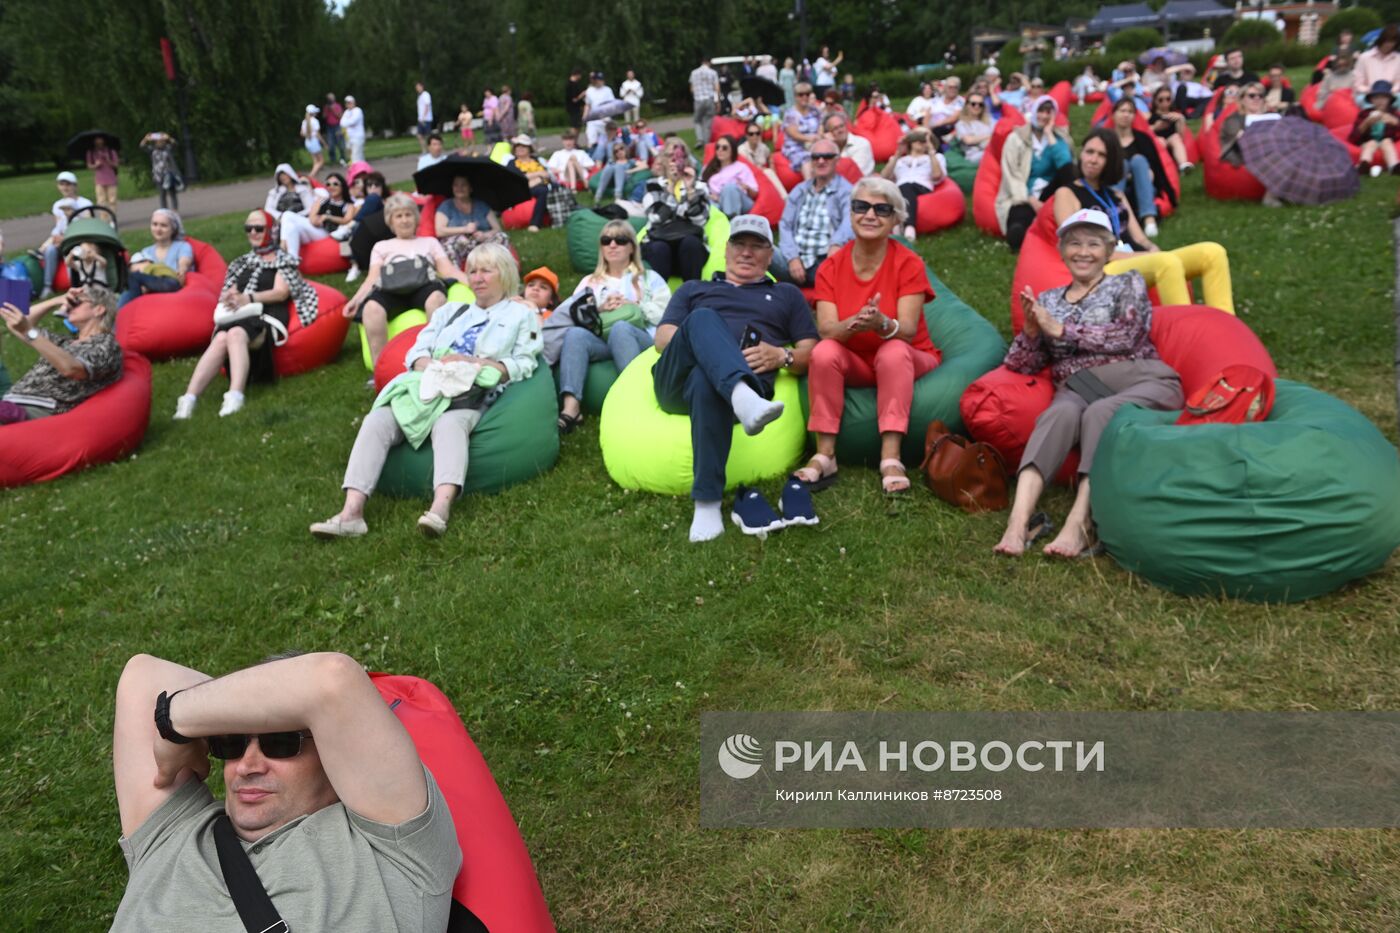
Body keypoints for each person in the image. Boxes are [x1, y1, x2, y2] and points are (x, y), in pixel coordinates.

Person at [110, 650, 461, 931]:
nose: (248, 765)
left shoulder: (394, 848)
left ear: (332, 748)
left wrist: (173, 720)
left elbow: (332, 681)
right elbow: (142, 676)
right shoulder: (173, 832)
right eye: (231, 742)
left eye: (279, 742)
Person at [312, 244, 540, 538]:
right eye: (472, 271)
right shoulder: (451, 311)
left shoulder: (521, 315)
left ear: (505, 274)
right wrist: (431, 364)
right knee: (377, 419)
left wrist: (474, 363)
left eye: (486, 270)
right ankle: (351, 513)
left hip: (470, 394)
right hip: (430, 383)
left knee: (449, 424)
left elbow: (525, 363)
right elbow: (417, 349)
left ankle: (439, 509)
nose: (477, 278)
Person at [994, 208, 1183, 558]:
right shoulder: (1049, 299)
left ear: (1109, 251)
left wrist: (1062, 330)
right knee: (1058, 415)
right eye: (1075, 243)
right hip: (1078, 388)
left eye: (1094, 244)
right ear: (1062, 250)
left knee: (1100, 411)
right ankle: (1017, 524)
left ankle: (1081, 523)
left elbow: (1128, 335)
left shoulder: (1126, 282)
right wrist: (1033, 334)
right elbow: (1021, 364)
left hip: (1139, 378)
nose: (1083, 251)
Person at [652, 215, 818, 542]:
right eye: (739, 244)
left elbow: (812, 352)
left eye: (757, 246)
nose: (746, 252)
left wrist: (781, 356)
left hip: (719, 386)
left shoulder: (786, 294)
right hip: (675, 383)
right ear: (726, 250)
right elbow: (662, 338)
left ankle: (707, 504)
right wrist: (709, 348)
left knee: (706, 380)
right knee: (702, 320)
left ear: (770, 256)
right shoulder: (695, 289)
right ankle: (742, 397)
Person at [798, 177, 938, 494]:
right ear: (850, 213)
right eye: (861, 207)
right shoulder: (830, 267)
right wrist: (857, 323)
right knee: (823, 352)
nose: (870, 215)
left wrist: (880, 323)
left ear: (895, 220)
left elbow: (908, 330)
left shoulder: (909, 263)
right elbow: (827, 329)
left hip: (910, 354)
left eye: (882, 209)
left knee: (892, 350)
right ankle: (825, 454)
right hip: (858, 359)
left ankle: (891, 457)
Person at [1054, 129, 1232, 312]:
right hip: (1105, 267)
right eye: (1089, 152)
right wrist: (1148, 257)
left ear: (1110, 161)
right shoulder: (1067, 194)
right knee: (1165, 263)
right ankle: (1184, 333)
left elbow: (1139, 238)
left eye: (1101, 155)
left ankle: (1226, 326)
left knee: (1212, 253)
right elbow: (1077, 249)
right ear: (1081, 154)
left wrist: (1152, 249)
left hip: (1134, 259)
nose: (1093, 159)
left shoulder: (1116, 194)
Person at [172, 211, 317, 419]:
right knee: (222, 337)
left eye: (259, 229)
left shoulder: (284, 261)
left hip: (266, 314)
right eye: (249, 229)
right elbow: (228, 288)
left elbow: (281, 292)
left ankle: (235, 395)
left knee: (236, 334)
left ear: (271, 231)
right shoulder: (241, 262)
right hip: (240, 313)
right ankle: (189, 399)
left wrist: (249, 298)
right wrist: (229, 295)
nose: (253, 233)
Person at [555, 221, 669, 432]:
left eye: (620, 240)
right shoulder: (590, 282)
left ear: (632, 247)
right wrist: (599, 309)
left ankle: (635, 402)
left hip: (640, 339)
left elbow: (667, 314)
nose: (613, 245)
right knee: (574, 334)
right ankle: (571, 408)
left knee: (620, 328)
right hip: (602, 341)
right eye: (606, 240)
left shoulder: (649, 278)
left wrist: (636, 305)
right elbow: (571, 315)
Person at [342, 193, 468, 367]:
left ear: (416, 218)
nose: (404, 220)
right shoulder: (382, 247)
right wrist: (355, 300)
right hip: (391, 290)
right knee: (371, 308)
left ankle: (436, 360)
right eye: (398, 216)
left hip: (424, 287)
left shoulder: (429, 242)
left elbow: (447, 270)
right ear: (391, 221)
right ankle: (380, 370)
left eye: (408, 214)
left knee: (436, 299)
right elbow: (372, 278)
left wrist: (472, 283)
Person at [0, 285, 121, 424]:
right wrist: (57, 300)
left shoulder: (106, 344)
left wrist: (29, 332)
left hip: (38, 409)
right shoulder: (63, 342)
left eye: (76, 302)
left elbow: (71, 369)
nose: (69, 306)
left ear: (99, 309)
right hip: (12, 404)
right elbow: (15, 324)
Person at [996, 97, 1072, 251]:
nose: (1044, 116)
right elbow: (1012, 173)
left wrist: (1050, 134)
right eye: (1040, 111)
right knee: (1018, 222)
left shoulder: (1059, 138)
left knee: (1069, 171)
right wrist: (1030, 199)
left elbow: (1067, 166)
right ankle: (1022, 234)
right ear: (1033, 112)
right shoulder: (1016, 138)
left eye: (1048, 112)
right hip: (1025, 194)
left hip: (1051, 192)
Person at [776, 139, 854, 285]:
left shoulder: (847, 191)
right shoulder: (799, 190)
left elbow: (850, 220)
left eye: (827, 156)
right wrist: (792, 258)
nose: (821, 161)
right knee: (761, 248)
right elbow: (785, 225)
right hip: (792, 261)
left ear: (837, 160)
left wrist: (837, 243)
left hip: (825, 260)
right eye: (816, 157)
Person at [640, 147, 711, 281]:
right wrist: (671, 190)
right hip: (659, 241)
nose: (674, 161)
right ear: (663, 161)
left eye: (679, 156)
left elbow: (701, 220)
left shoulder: (698, 186)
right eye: (670, 157)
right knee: (660, 248)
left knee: (691, 244)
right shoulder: (653, 185)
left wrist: (690, 191)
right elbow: (656, 218)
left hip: (689, 244)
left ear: (686, 160)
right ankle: (659, 299)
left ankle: (692, 295)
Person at [1109, 97, 1173, 238]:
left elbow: (1157, 169)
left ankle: (1149, 219)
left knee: (1139, 160)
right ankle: (1115, 214)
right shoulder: (1107, 140)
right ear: (1114, 114)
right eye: (1122, 111)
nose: (1126, 115)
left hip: (1143, 185)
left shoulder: (1143, 139)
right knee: (1123, 163)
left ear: (1134, 116)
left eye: (1130, 112)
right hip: (1117, 185)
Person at [119, 209, 195, 309]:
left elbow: (184, 261)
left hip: (173, 287)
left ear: (173, 229)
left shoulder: (182, 246)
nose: (158, 229)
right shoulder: (146, 251)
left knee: (133, 279)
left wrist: (181, 270)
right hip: (153, 292)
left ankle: (125, 312)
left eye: (163, 226)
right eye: (155, 224)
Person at [881, 128, 945, 241]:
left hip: (921, 186)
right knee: (901, 188)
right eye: (918, 136)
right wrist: (898, 154)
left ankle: (908, 228)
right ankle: (903, 227)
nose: (921, 140)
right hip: (899, 188)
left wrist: (931, 151)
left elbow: (936, 175)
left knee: (906, 187)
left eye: (925, 137)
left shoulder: (936, 157)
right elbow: (884, 177)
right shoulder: (899, 160)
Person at [39, 172, 93, 299]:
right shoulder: (57, 205)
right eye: (61, 184)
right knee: (50, 250)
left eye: (68, 184)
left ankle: (73, 285)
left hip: (78, 240)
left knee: (70, 251)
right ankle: (47, 286)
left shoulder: (85, 203)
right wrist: (55, 239)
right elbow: (58, 226)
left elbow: (88, 226)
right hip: (63, 239)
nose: (65, 188)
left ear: (75, 186)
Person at [434, 174, 507, 266]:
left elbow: (497, 229)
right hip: (458, 244)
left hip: (481, 242)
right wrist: (464, 229)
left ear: (471, 188)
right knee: (456, 242)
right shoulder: (446, 206)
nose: (459, 188)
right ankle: (455, 277)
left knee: (502, 236)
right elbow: (439, 231)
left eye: (463, 185)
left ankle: (497, 270)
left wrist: (485, 235)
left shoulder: (482, 205)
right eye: (456, 185)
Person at [263, 163, 327, 261]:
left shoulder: (302, 189)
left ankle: (282, 247)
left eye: (285, 174)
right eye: (281, 176)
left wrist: (294, 216)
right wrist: (281, 217)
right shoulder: (274, 192)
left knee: (288, 216)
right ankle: (292, 258)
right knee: (288, 219)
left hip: (301, 219)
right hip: (280, 222)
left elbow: (310, 208)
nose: (283, 177)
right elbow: (268, 208)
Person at [703, 134, 761, 218]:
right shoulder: (708, 168)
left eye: (724, 148)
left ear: (732, 150)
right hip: (716, 201)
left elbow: (754, 193)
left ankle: (731, 222)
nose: (720, 150)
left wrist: (747, 187)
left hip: (740, 201)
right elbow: (701, 187)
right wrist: (710, 196)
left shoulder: (741, 167)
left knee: (730, 188)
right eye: (718, 147)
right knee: (713, 206)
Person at [1351, 81, 1400, 176]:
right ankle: (1364, 164)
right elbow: (1353, 137)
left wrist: (1395, 122)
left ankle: (1394, 166)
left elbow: (1397, 132)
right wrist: (1366, 123)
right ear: (1371, 100)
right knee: (1371, 143)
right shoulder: (1364, 114)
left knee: (1387, 141)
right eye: (1376, 97)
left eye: (1384, 97)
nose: (1380, 100)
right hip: (1368, 140)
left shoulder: (1393, 114)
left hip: (1387, 140)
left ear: (1390, 99)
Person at [507, 135, 551, 233]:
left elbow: (547, 177)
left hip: (540, 185)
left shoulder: (536, 160)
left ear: (529, 148)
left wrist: (537, 179)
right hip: (519, 190)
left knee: (554, 188)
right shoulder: (512, 163)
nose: (520, 148)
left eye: (523, 146)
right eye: (517, 146)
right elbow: (519, 179)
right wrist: (538, 175)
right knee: (543, 190)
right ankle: (535, 223)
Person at [783, 83, 823, 180]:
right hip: (796, 146)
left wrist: (819, 137)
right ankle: (810, 189)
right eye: (801, 94)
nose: (804, 97)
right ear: (795, 96)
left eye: (807, 94)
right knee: (807, 161)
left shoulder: (815, 111)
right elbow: (794, 134)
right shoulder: (790, 114)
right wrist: (810, 138)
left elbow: (821, 126)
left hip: (815, 144)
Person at [1149, 87, 1193, 173]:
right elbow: (1143, 131)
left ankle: (1183, 165)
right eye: (1161, 100)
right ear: (1155, 101)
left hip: (1171, 142)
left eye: (1168, 99)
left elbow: (1182, 136)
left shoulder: (1174, 115)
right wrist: (1155, 127)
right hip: (1157, 143)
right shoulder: (1149, 115)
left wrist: (1181, 119)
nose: (1165, 102)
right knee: (1160, 140)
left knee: (1175, 137)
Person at [738, 123, 786, 197]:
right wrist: (761, 170)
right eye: (751, 134)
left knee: (769, 172)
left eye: (757, 133)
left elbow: (769, 156)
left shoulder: (762, 147)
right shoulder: (741, 150)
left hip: (761, 176)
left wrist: (772, 165)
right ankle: (784, 197)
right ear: (747, 136)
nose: (755, 136)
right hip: (748, 179)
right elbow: (744, 170)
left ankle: (782, 197)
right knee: (768, 172)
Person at [1353, 25, 1400, 98]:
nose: (1389, 44)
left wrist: (1390, 91)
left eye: (1392, 42)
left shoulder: (1398, 59)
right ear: (1381, 40)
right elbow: (1357, 83)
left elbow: (1398, 82)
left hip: (1391, 96)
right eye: (1386, 41)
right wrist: (1372, 91)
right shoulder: (1364, 57)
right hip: (1368, 95)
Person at [140, 132, 182, 211]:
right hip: (158, 175)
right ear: (155, 142)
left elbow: (175, 144)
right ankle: (164, 212)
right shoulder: (152, 149)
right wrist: (146, 139)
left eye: (162, 141)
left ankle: (175, 211)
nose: (160, 143)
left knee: (172, 193)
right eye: (158, 141)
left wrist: (168, 138)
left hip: (169, 174)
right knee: (162, 194)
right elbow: (142, 146)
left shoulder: (168, 148)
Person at [823, 111, 874, 176]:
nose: (840, 130)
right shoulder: (826, 147)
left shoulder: (861, 144)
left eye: (841, 126)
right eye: (835, 128)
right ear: (828, 133)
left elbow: (855, 174)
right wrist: (830, 147)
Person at [954, 92, 995, 164]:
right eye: (973, 104)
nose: (977, 106)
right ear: (967, 105)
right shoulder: (961, 124)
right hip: (976, 155)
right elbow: (968, 140)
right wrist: (990, 136)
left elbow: (999, 132)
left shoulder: (989, 120)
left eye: (980, 104)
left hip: (992, 149)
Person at [86, 136, 120, 215]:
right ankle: (103, 219)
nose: (99, 141)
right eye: (97, 140)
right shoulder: (91, 152)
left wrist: (108, 160)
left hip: (111, 179)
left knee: (112, 200)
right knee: (101, 201)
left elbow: (116, 165)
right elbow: (89, 166)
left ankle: (112, 218)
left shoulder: (111, 151)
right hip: (99, 180)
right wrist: (96, 165)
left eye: (100, 139)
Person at [690, 57, 720, 146]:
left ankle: (700, 139)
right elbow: (716, 89)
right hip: (709, 99)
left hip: (698, 99)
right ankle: (707, 143)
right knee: (708, 121)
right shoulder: (713, 73)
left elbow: (692, 89)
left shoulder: (694, 73)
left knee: (697, 120)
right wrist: (717, 101)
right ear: (709, 63)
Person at [301, 104, 326, 179]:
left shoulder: (304, 121)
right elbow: (318, 134)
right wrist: (324, 143)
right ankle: (310, 176)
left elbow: (302, 133)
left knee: (315, 161)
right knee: (321, 161)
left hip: (308, 142)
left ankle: (316, 179)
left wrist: (308, 135)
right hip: (314, 142)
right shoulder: (315, 121)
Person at [341, 95, 366, 163]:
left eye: (350, 102)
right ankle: (363, 170)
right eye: (347, 103)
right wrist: (348, 122)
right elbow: (342, 123)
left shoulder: (358, 110)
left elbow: (353, 121)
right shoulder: (346, 112)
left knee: (356, 156)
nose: (348, 104)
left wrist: (347, 121)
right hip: (349, 137)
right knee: (354, 156)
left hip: (357, 137)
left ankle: (357, 170)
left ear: (354, 102)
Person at [323, 92, 346, 166]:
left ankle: (342, 159)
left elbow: (340, 116)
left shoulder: (338, 106)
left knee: (340, 144)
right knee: (331, 145)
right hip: (329, 127)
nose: (330, 99)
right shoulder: (326, 107)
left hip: (337, 126)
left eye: (331, 97)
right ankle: (333, 160)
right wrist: (327, 110)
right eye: (328, 98)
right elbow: (324, 117)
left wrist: (333, 110)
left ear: (334, 98)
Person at [415, 81, 434, 152]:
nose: (417, 89)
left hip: (426, 119)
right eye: (416, 87)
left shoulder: (426, 94)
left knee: (427, 136)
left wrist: (423, 117)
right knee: (419, 135)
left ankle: (431, 150)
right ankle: (424, 151)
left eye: (418, 87)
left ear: (422, 86)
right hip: (420, 119)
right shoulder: (419, 96)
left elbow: (427, 106)